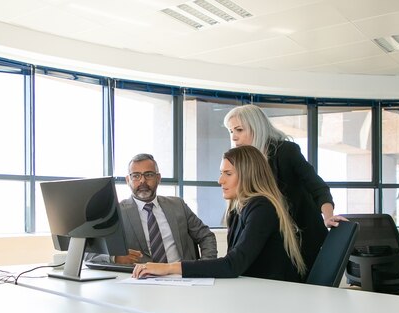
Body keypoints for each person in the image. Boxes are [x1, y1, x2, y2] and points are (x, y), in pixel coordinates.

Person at [133, 145, 306, 281]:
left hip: (273, 297)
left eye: (228, 174)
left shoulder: (262, 208)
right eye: (221, 173)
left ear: (248, 175)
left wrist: (169, 268)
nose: (220, 180)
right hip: (253, 290)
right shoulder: (238, 209)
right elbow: (233, 262)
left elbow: (233, 265)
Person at [223, 104, 346, 276]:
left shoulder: (286, 152)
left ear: (256, 128)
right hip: (276, 239)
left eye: (239, 130)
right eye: (230, 131)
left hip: (302, 235)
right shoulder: (246, 163)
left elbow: (317, 186)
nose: (234, 137)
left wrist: (328, 216)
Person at [91, 153, 217, 265]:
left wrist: (204, 266)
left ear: (158, 178)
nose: (143, 181)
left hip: (181, 277)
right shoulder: (115, 213)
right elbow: (89, 253)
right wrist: (115, 258)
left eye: (149, 175)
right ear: (128, 180)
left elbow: (206, 236)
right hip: (140, 282)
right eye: (136, 176)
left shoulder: (178, 205)